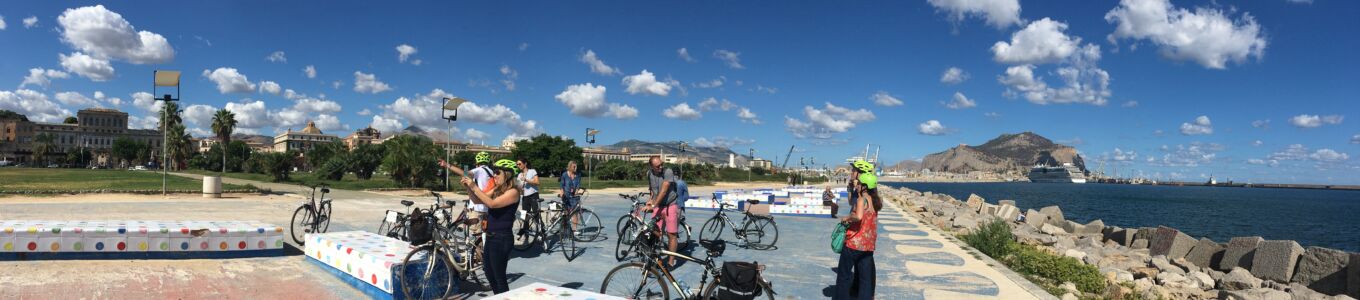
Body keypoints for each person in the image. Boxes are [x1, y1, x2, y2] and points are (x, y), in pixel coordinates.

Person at [461, 159, 522, 294]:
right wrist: (468, 187)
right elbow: (477, 200)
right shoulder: (497, 189)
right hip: (490, 236)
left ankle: (503, 297)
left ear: (508, 174)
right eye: (494, 172)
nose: (494, 175)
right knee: (489, 273)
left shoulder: (513, 192)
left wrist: (474, 187)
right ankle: (497, 297)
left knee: (499, 277)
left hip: (502, 238)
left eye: (497, 173)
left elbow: (492, 204)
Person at [834, 171, 883, 299]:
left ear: (865, 186)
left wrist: (847, 217)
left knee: (843, 276)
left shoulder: (862, 200)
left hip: (854, 244)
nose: (857, 185)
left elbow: (859, 216)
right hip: (868, 245)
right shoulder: (876, 201)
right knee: (865, 280)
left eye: (860, 183)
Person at [642, 156, 679, 267]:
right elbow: (653, 190)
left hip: (670, 206)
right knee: (654, 231)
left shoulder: (668, 172)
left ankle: (671, 262)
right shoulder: (650, 174)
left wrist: (653, 204)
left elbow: (663, 191)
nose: (661, 167)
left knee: (671, 234)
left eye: (661, 164)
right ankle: (655, 256)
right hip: (658, 206)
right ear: (651, 166)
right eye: (658, 166)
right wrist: (650, 200)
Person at [439, 151, 495, 215]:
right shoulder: (491, 172)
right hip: (486, 207)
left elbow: (465, 174)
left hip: (477, 208)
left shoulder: (480, 170)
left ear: (477, 162)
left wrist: (447, 165)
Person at [557, 161, 584, 234]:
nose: (575, 168)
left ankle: (575, 229)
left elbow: (578, 185)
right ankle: (565, 229)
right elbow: (562, 185)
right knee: (566, 213)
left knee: (575, 213)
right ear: (570, 167)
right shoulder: (565, 175)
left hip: (574, 197)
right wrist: (562, 193)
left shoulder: (578, 175)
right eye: (574, 167)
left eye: (576, 166)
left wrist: (577, 191)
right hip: (566, 196)